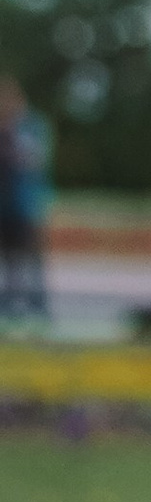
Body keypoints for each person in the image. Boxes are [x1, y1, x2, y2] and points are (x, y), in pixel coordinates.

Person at [0, 76, 50, 321]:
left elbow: (33, 159)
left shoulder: (31, 126)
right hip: (4, 205)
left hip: (25, 204)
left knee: (30, 257)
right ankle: (9, 304)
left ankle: (36, 306)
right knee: (8, 258)